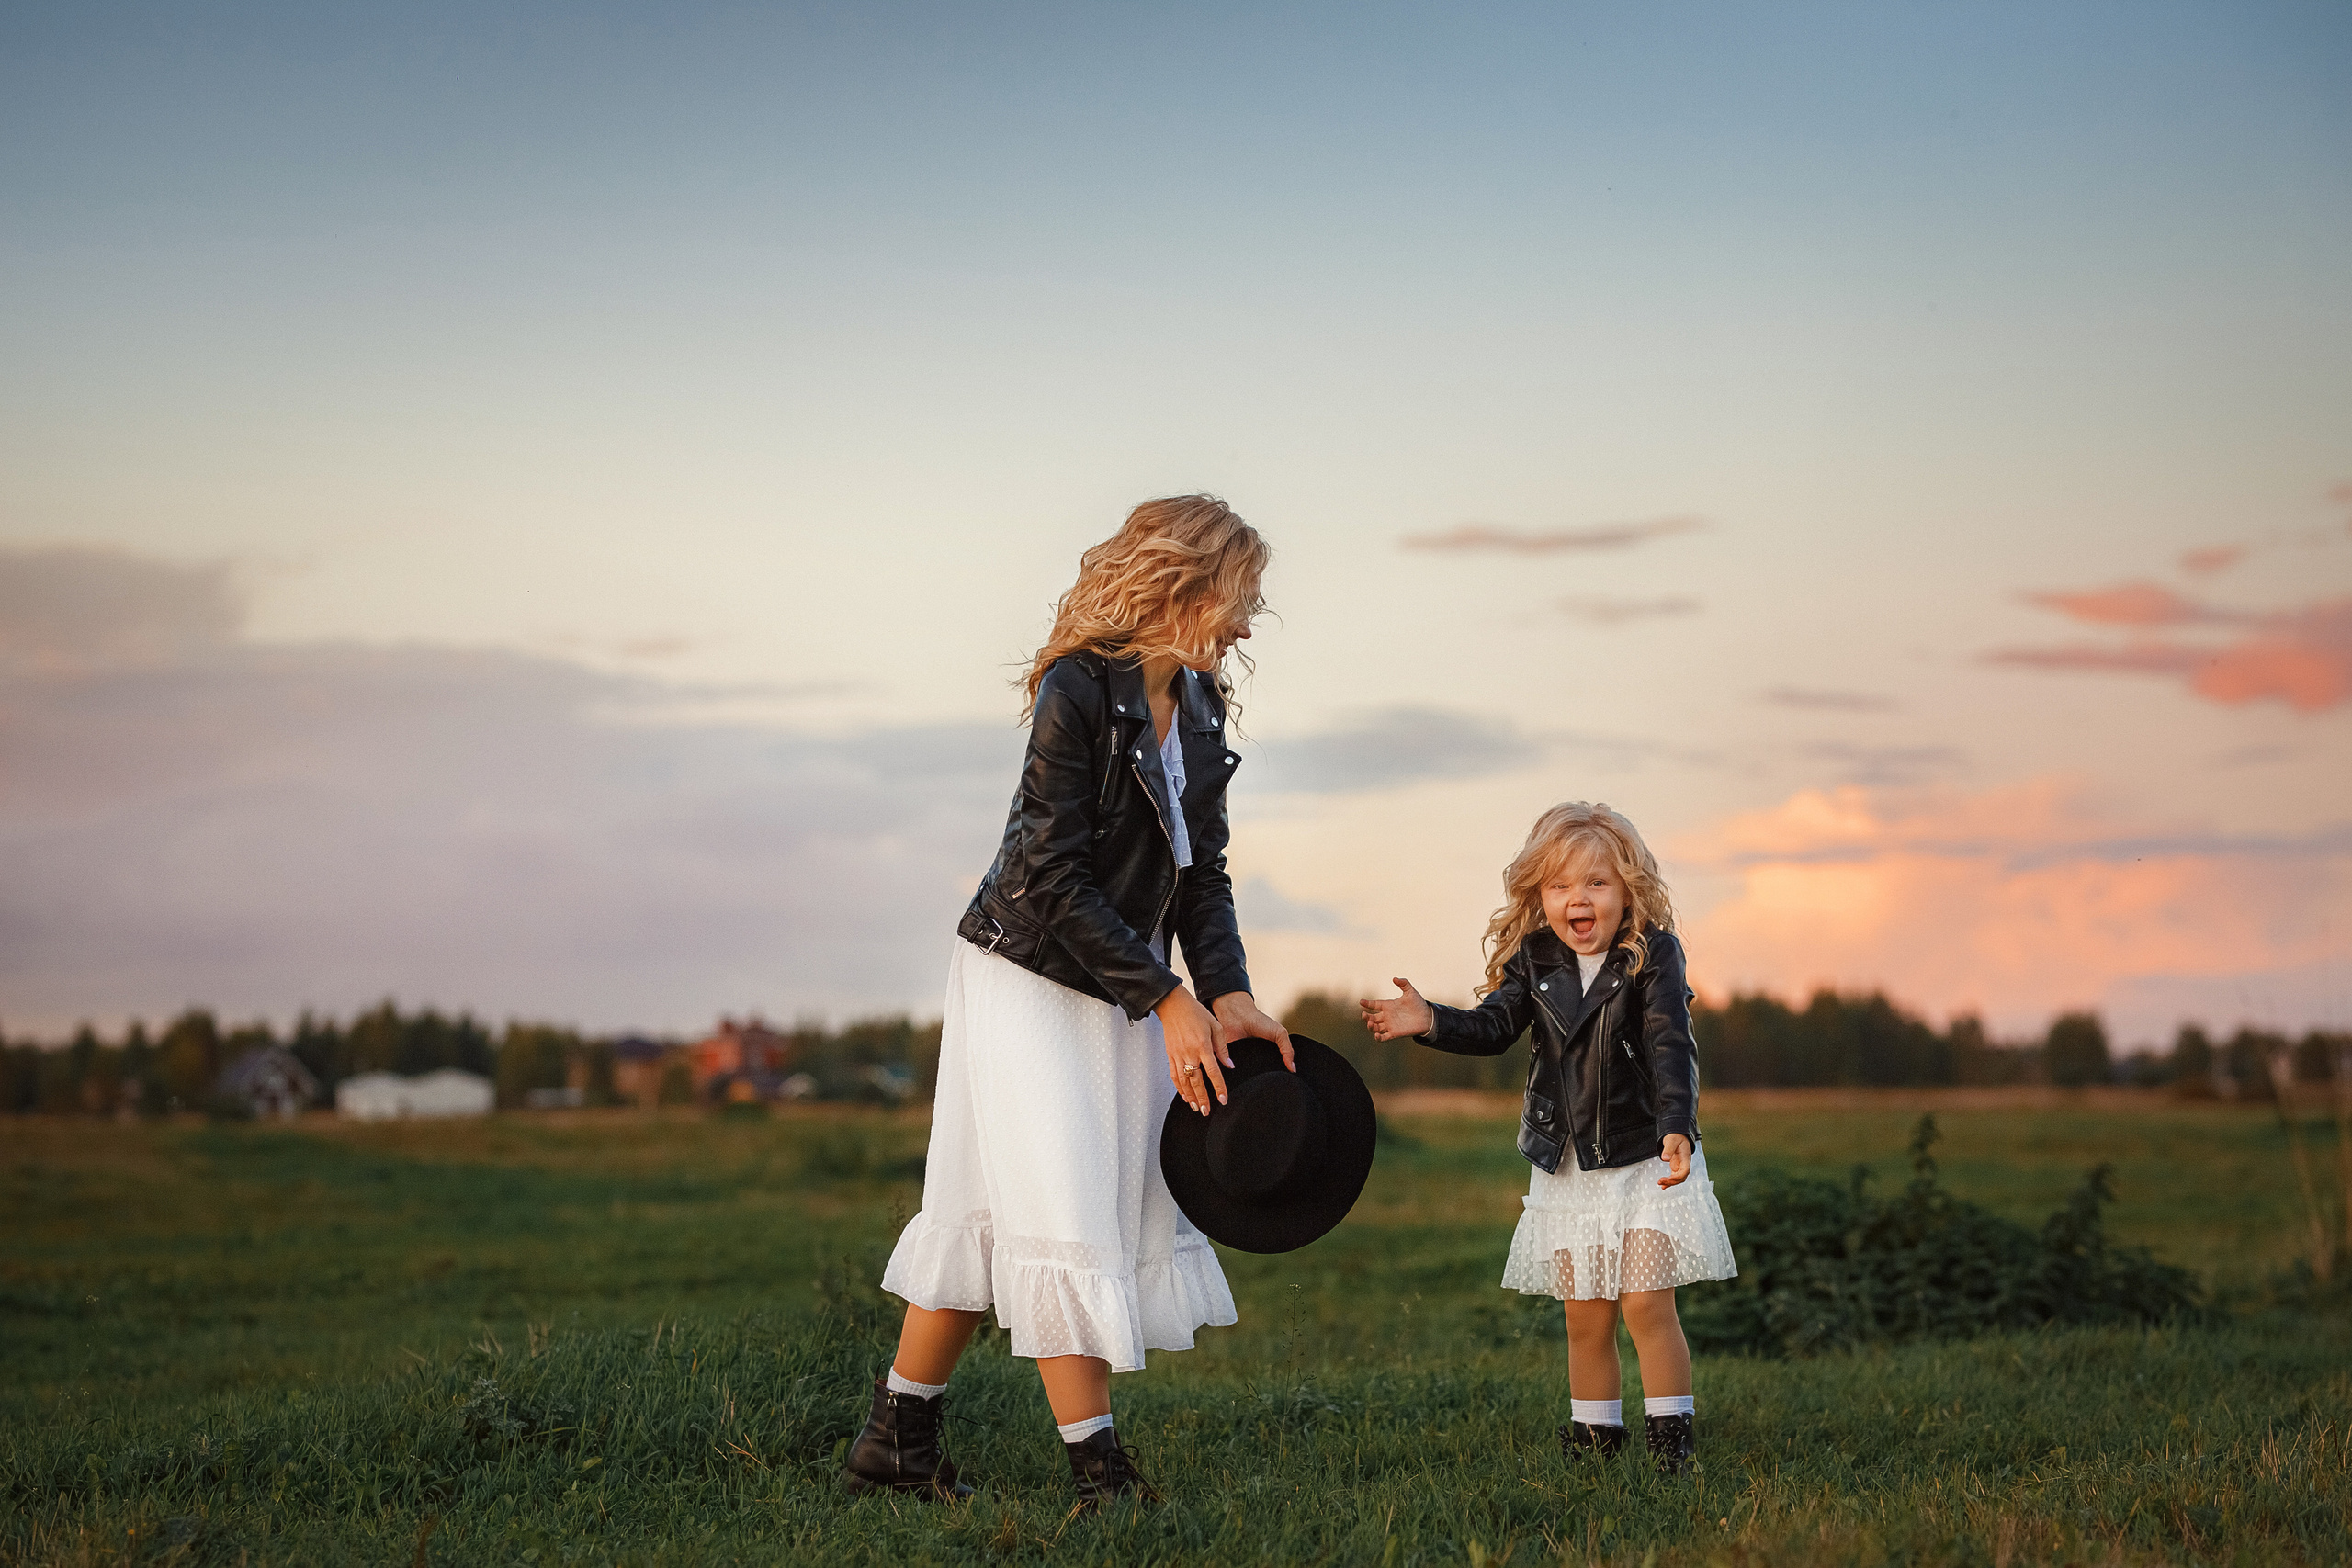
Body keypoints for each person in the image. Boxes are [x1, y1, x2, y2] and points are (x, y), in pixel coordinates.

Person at [842, 495, 1294, 1510]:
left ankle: (895, 1441)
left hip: (1122, 981)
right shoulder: (1077, 689)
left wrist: (1226, 994)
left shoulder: (1202, 705)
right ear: (1183, 584)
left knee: (991, 1207)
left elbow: (1202, 876)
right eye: (1241, 595)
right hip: (1031, 973)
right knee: (1065, 1207)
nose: (1248, 622)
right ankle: (1101, 1477)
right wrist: (1167, 998)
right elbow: (1051, 877)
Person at [1359, 801, 1736, 1474]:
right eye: (1560, 885)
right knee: (1585, 1316)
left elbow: (1670, 1044)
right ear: (1540, 895)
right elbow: (1493, 1027)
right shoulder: (1534, 958)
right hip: (1567, 1168)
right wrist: (1431, 1021)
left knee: (1646, 1304)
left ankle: (1671, 1443)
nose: (1577, 899)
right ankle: (1596, 1438)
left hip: (1646, 1154)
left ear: (1628, 890)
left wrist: (1677, 1124)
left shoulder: (1653, 954)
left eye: (1596, 882)